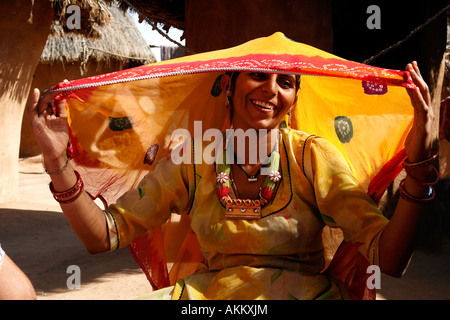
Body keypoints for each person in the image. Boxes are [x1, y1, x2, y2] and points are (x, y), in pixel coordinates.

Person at [28, 59, 436, 299]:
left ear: (294, 99)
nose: (271, 90)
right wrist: (56, 161)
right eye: (258, 76)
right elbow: (104, 236)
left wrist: (417, 169)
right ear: (229, 85)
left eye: (286, 82)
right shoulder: (195, 158)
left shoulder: (311, 156)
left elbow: (389, 260)